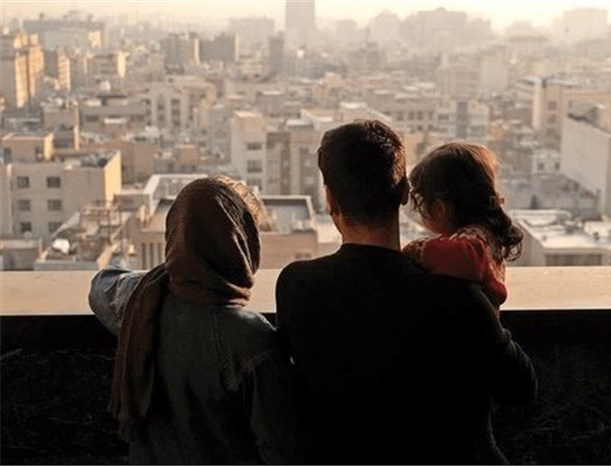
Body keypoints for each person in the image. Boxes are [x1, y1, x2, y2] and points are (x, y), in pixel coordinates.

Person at [275, 120, 537, 464]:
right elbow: (520, 388)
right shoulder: (456, 293)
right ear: (403, 193)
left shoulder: (297, 287)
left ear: (330, 200)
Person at [89, 176, 310, 464]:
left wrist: (183, 265)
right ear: (244, 244)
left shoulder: (142, 302)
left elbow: (101, 285)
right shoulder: (251, 339)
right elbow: (282, 451)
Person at [403, 142, 523, 315]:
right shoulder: (486, 233)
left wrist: (414, 250)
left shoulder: (474, 239)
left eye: (420, 202)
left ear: (439, 209)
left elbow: (464, 256)